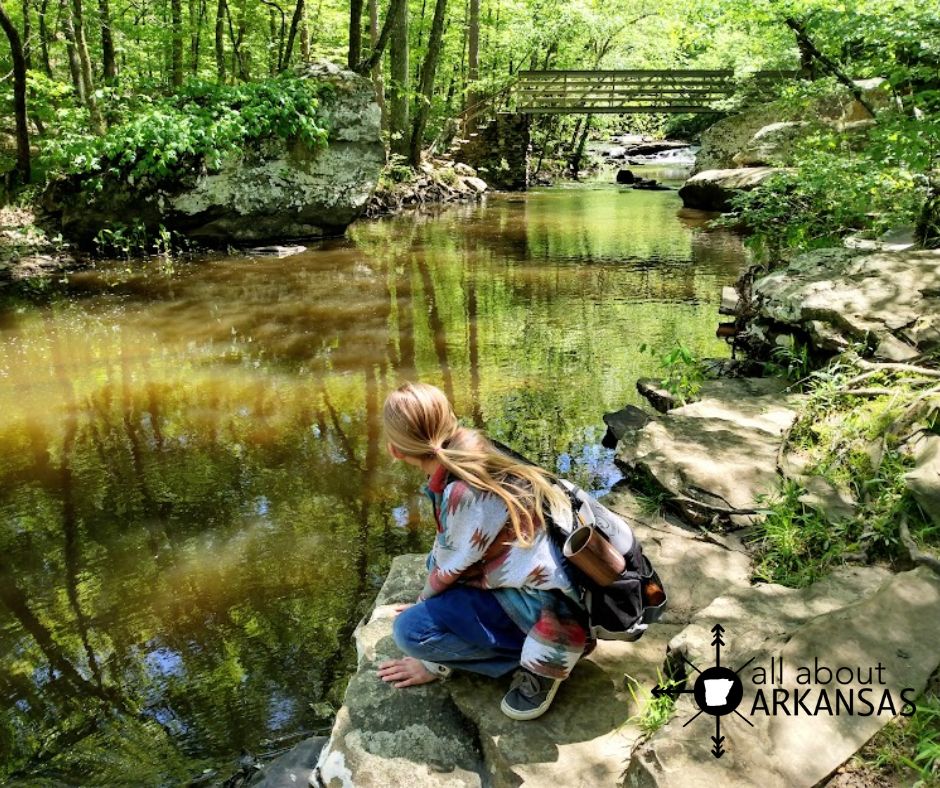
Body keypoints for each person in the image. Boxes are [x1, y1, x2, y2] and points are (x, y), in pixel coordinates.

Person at [377, 382, 588, 720]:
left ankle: (548, 652)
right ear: (451, 419)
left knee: (410, 632)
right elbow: (460, 551)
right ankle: (548, 637)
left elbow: (450, 568)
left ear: (396, 451)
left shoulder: (463, 491)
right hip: (566, 583)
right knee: (434, 597)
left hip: (545, 603)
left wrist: (429, 621)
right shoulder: (479, 453)